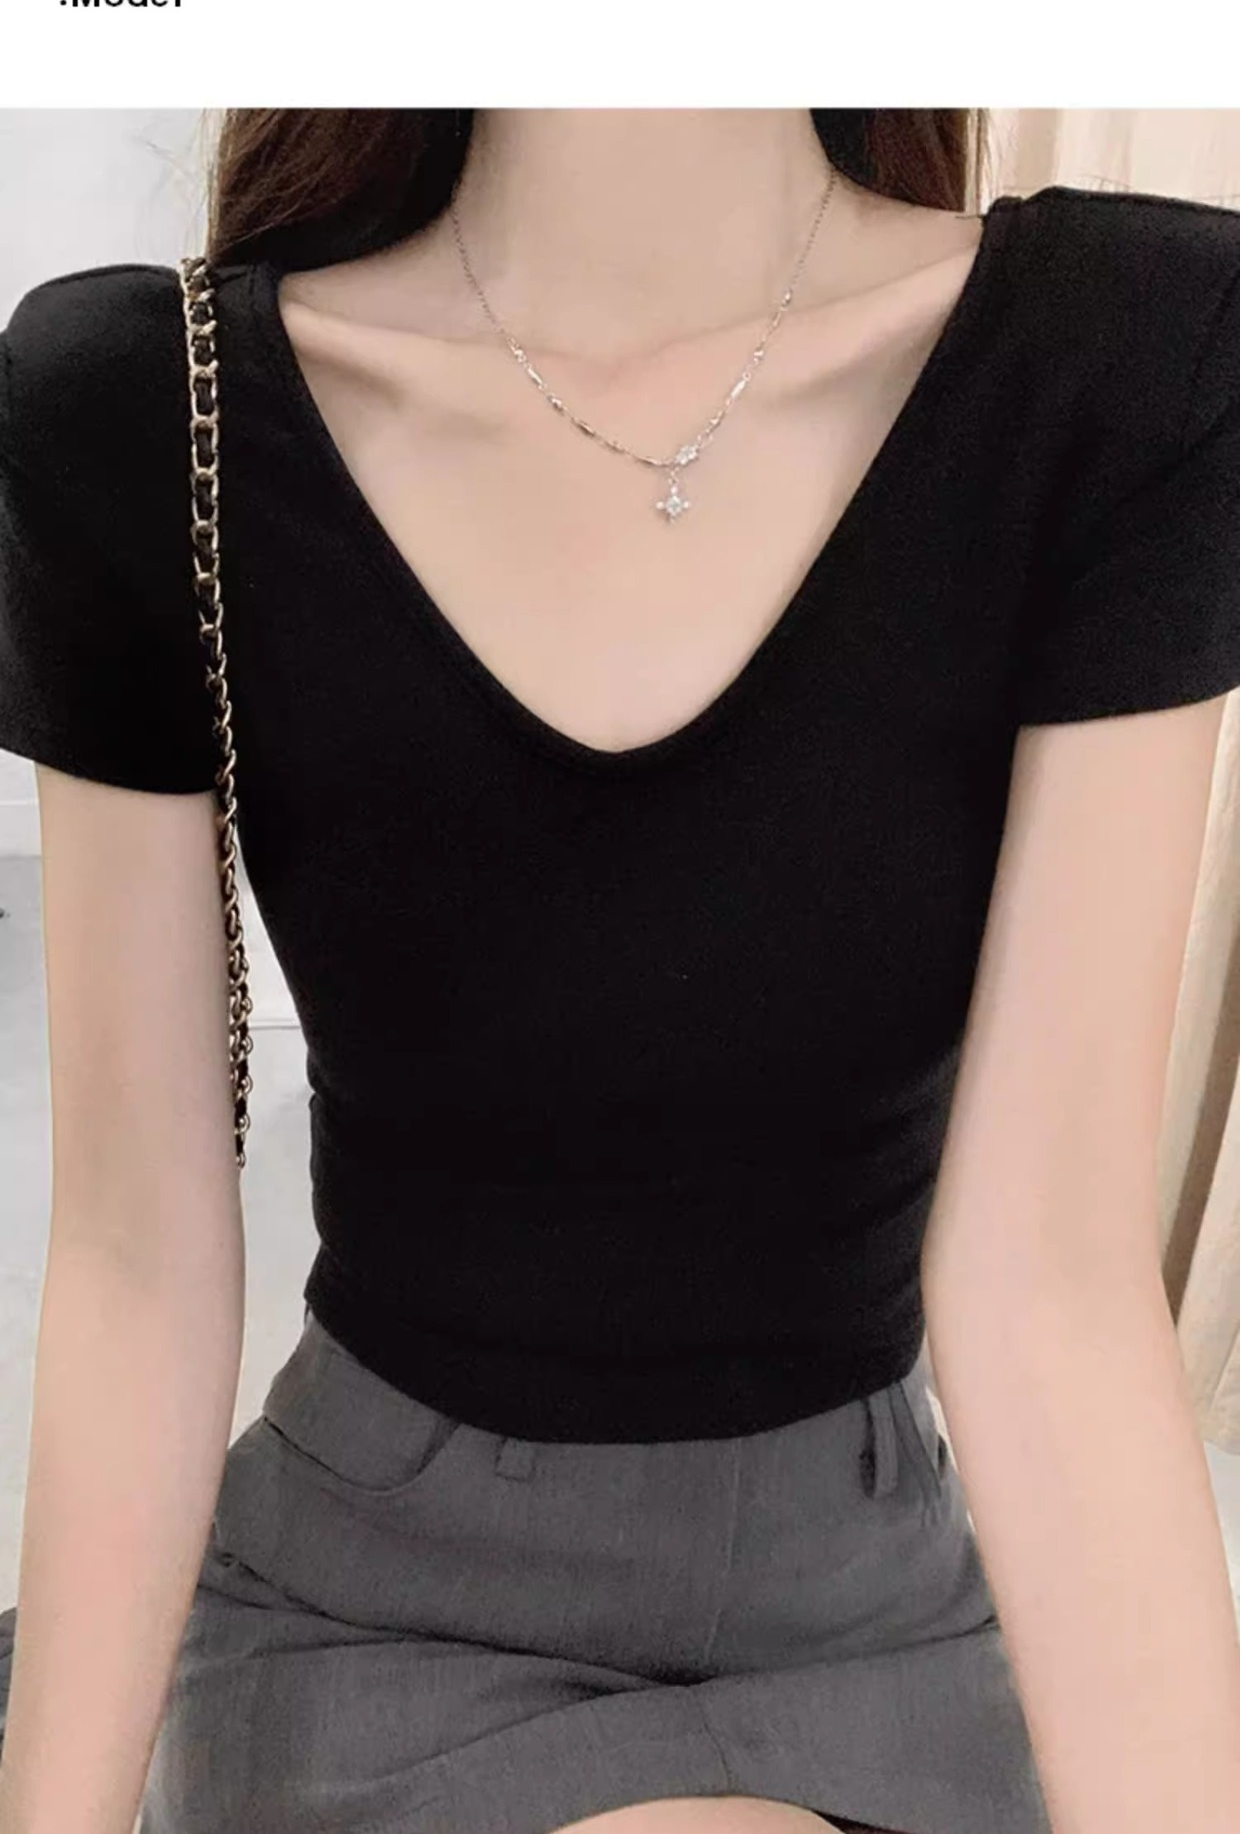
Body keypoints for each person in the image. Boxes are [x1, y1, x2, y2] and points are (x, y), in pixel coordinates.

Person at [0, 106, 1238, 1834]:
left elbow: (1051, 1280)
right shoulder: (148, 407)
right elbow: (137, 1264)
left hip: (873, 1603)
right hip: (372, 1599)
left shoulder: (1122, 359)